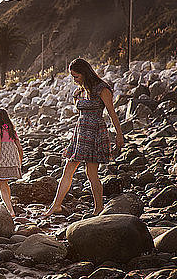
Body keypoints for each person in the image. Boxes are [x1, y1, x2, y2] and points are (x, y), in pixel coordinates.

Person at [44, 58, 124, 217]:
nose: (74, 80)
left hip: (94, 132)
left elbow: (112, 113)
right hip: (80, 132)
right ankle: (56, 205)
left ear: (85, 73)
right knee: (68, 168)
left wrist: (119, 136)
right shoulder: (79, 91)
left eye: (76, 76)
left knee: (91, 173)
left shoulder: (102, 89)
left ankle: (98, 208)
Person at [0, 108, 23, 217]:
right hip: (12, 159)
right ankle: (9, 205)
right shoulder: (11, 129)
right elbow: (19, 147)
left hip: (1, 159)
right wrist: (19, 161)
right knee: (5, 183)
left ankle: (10, 210)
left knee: (1, 184)